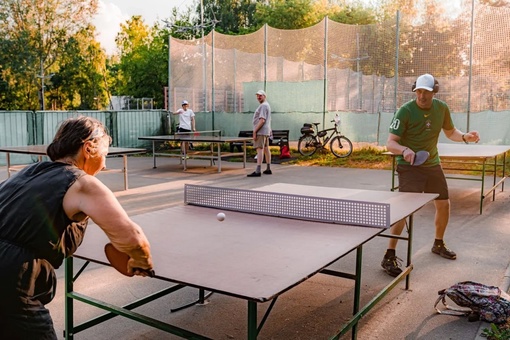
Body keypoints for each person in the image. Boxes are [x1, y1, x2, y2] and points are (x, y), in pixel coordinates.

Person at [0, 116, 154, 339]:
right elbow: (133, 238)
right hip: (11, 279)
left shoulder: (26, 172)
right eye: (105, 153)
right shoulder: (81, 182)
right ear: (89, 148)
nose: (104, 162)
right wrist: (143, 262)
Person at [381, 73, 481, 277]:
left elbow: (450, 132)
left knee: (444, 203)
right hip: (409, 166)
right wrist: (405, 150)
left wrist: (464, 137)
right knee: (405, 210)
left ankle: (438, 243)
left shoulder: (441, 108)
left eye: (426, 92)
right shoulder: (405, 111)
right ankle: (389, 254)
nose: (421, 95)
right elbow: (390, 143)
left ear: (434, 92)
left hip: (432, 163)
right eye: (418, 91)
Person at [247, 90, 272, 177]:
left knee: (259, 149)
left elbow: (262, 120)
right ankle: (268, 168)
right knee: (266, 149)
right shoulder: (267, 105)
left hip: (261, 131)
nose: (258, 97)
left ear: (264, 96)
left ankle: (258, 170)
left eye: (260, 95)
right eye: (257, 95)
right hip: (266, 131)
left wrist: (255, 131)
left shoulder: (263, 106)